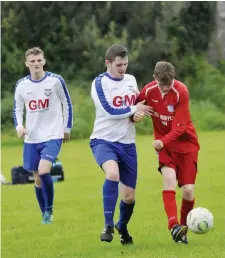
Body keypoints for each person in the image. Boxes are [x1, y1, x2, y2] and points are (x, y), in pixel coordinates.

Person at [89, 44, 151, 245]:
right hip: (103, 140)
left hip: (127, 144)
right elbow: (109, 111)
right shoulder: (99, 83)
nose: (123, 68)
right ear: (108, 63)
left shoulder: (131, 80)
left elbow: (135, 108)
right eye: (118, 65)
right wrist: (134, 108)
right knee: (112, 174)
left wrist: (137, 114)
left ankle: (121, 226)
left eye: (125, 64)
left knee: (129, 197)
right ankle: (108, 225)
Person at [136, 61, 200, 244]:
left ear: (174, 79)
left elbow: (180, 128)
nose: (164, 89)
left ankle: (183, 229)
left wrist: (161, 141)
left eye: (168, 85)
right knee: (169, 180)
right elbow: (133, 104)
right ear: (154, 78)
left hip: (186, 145)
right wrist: (136, 111)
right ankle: (173, 226)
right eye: (161, 85)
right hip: (164, 147)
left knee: (188, 191)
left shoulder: (181, 91)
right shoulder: (149, 90)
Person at [13, 47, 73, 224]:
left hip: (53, 134)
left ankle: (49, 210)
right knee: (37, 178)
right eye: (33, 61)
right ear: (27, 64)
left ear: (44, 61)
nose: (36, 64)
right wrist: (19, 126)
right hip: (32, 137)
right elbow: (17, 108)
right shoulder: (21, 85)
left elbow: (66, 103)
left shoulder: (55, 81)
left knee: (44, 169)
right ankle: (44, 214)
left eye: (39, 60)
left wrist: (66, 128)